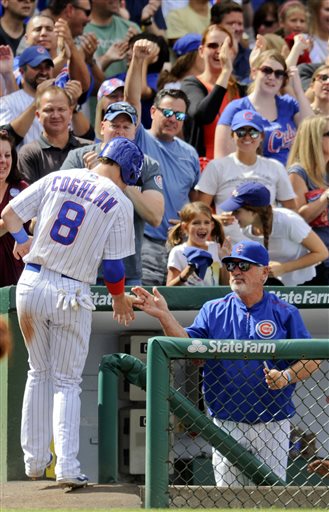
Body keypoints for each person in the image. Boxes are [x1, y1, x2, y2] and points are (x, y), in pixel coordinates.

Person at [1, 136, 144, 488]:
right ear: (126, 171)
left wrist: (22, 240)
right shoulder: (120, 201)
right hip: (70, 290)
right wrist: (119, 297)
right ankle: (66, 465)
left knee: (39, 372)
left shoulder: (57, 177)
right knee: (66, 381)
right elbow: (113, 269)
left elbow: (9, 215)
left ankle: (34, 460)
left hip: (31, 282)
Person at [132, 240, 321, 486]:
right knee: (228, 498)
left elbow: (313, 357)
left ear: (264, 273)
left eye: (244, 265)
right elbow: (190, 349)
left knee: (272, 498)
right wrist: (165, 316)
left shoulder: (284, 311)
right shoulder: (214, 309)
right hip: (226, 422)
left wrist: (285, 376)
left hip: (274, 422)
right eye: (231, 265)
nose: (235, 270)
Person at [60, 101, 164, 286]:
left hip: (127, 270)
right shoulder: (78, 157)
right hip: (78, 267)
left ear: (135, 131)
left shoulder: (147, 165)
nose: (120, 131)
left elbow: (155, 217)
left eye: (126, 126)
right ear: (102, 127)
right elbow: (58, 204)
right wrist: (90, 176)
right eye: (114, 125)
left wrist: (117, 175)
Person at [124, 38, 200, 286]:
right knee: (146, 308)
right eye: (167, 112)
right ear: (153, 112)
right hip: (145, 241)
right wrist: (138, 59)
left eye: (179, 115)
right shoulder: (140, 138)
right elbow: (131, 100)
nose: (172, 119)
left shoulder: (189, 153)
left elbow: (194, 200)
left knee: (182, 311)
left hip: (180, 245)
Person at [196, 109, 297, 244]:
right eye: (241, 132)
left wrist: (273, 217)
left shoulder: (275, 167)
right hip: (228, 244)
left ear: (261, 136)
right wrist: (216, 219)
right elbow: (199, 209)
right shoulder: (217, 166)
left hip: (268, 243)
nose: (247, 137)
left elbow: (291, 208)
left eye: (253, 132)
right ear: (232, 135)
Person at [214, 49, 314, 165]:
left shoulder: (289, 104)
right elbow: (221, 159)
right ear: (254, 72)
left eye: (279, 74)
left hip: (289, 178)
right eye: (267, 70)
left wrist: (298, 90)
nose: (272, 77)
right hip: (254, 178)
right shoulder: (236, 108)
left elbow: (312, 130)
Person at [218, 181, 328, 286]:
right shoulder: (245, 228)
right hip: (277, 284)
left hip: (310, 283)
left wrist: (284, 268)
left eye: (237, 211)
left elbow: (322, 253)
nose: (232, 215)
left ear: (255, 211)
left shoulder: (288, 221)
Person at [181, 24, 241, 162]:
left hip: (237, 167)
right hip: (204, 167)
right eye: (213, 45)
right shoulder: (191, 84)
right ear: (201, 51)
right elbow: (203, 115)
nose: (219, 51)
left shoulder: (239, 89)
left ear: (232, 51)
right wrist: (226, 71)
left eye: (225, 46)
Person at [17, 85, 90, 183]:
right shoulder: (28, 154)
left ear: (70, 113)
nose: (55, 115)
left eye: (61, 109)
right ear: (38, 115)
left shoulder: (88, 148)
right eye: (49, 110)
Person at [287, 115, 329, 285]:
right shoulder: (298, 173)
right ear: (314, 139)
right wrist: (325, 197)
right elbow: (298, 217)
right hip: (315, 260)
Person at [166, 201, 231, 286]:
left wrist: (224, 260)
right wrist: (186, 273)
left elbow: (226, 285)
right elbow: (169, 288)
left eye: (206, 222)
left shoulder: (217, 249)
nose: (202, 226)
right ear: (185, 227)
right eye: (196, 223)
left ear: (212, 226)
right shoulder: (178, 251)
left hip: (214, 299)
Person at [0, 130, 29, 287]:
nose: (3, 161)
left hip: (18, 277)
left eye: (7, 155)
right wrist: (12, 218)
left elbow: (32, 222)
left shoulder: (22, 188)